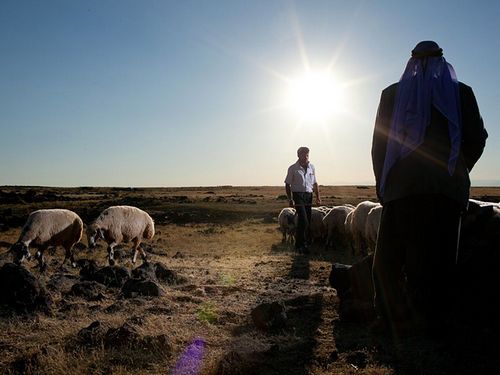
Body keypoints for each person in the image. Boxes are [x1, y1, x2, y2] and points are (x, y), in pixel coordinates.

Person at [371, 41, 488, 336]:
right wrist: (457, 169)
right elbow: (477, 138)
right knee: (441, 257)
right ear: (442, 61)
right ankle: (434, 323)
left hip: (401, 191)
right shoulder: (461, 93)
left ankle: (392, 320)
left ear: (411, 62)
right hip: (446, 194)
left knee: (390, 260)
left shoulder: (392, 95)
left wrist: (382, 184)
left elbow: (379, 146)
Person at [285, 146, 322, 253]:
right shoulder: (293, 168)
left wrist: (318, 197)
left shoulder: (312, 167)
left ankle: (302, 244)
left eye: (307, 155)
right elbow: (287, 184)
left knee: (307, 221)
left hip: (308, 195)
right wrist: (290, 199)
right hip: (298, 195)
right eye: (303, 155)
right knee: (303, 220)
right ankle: (300, 245)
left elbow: (315, 183)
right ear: (298, 155)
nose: (305, 157)